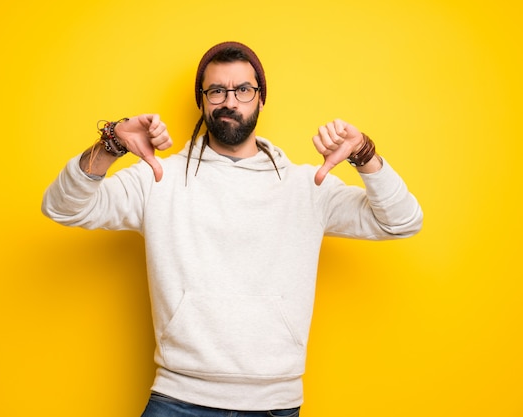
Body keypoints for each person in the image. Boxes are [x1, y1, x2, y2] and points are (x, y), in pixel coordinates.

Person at [42, 41, 423, 416]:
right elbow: (61, 208)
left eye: (243, 89)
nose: (229, 101)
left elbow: (402, 222)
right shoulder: (159, 178)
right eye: (216, 90)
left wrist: (364, 154)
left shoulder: (307, 187)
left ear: (260, 99)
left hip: (275, 404)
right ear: (203, 100)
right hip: (180, 398)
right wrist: (111, 143)